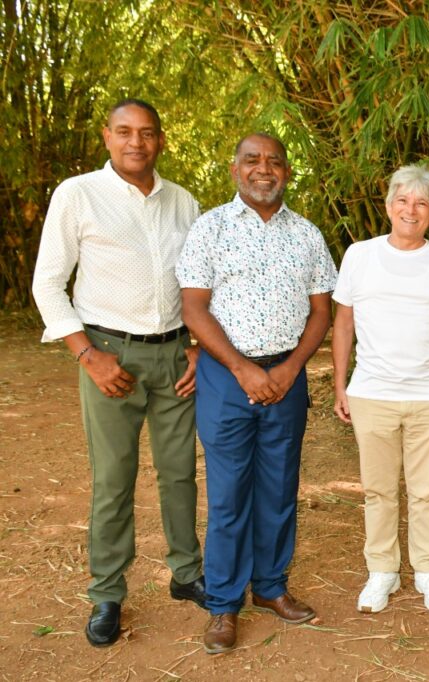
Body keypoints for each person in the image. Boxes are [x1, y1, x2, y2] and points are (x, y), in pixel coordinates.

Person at [32, 98, 206, 647]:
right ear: (106, 136)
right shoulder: (78, 194)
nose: (136, 142)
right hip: (108, 354)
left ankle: (187, 574)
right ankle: (107, 592)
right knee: (113, 478)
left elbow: (203, 281)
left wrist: (199, 347)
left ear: (161, 140)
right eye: (125, 131)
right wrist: (87, 355)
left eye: (147, 132)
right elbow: (47, 283)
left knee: (179, 473)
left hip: (176, 355)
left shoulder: (183, 201)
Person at [176, 133, 336, 654]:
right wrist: (242, 368)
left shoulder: (307, 234)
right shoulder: (210, 228)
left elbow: (322, 312)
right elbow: (194, 308)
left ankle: (270, 586)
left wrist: (291, 368)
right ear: (235, 169)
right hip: (226, 379)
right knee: (228, 496)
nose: (263, 169)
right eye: (252, 160)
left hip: (286, 377)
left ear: (286, 172)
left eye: (274, 161)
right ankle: (223, 604)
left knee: (279, 489)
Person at [332, 165, 429, 614]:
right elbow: (344, 323)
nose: (412, 210)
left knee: (427, 490)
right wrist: (340, 385)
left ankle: (428, 570)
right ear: (389, 206)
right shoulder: (360, 255)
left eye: (422, 203)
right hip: (372, 392)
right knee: (379, 490)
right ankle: (382, 572)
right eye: (404, 201)